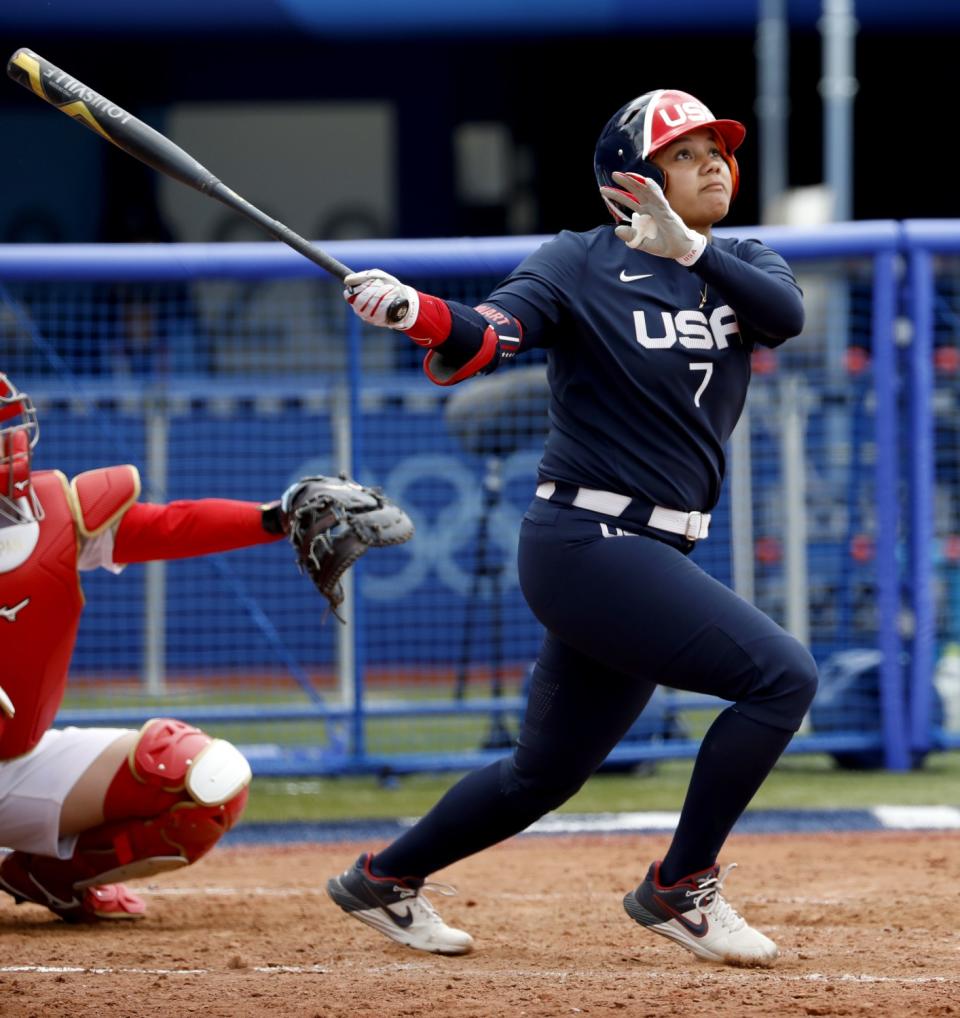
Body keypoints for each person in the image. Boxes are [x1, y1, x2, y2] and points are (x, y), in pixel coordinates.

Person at [325, 88, 818, 968]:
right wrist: (416, 311)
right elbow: (490, 335)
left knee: (543, 775)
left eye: (717, 148)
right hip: (585, 543)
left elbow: (785, 321)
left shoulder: (746, 261)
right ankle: (681, 885)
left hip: (653, 549)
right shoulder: (577, 261)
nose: (712, 161)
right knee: (782, 677)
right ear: (631, 181)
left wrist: (693, 250)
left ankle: (383, 879)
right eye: (684, 151)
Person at [0, 372, 411, 923]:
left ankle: (45, 876)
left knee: (203, 776)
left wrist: (278, 517)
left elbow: (170, 526)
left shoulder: (54, 515)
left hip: (14, 764)